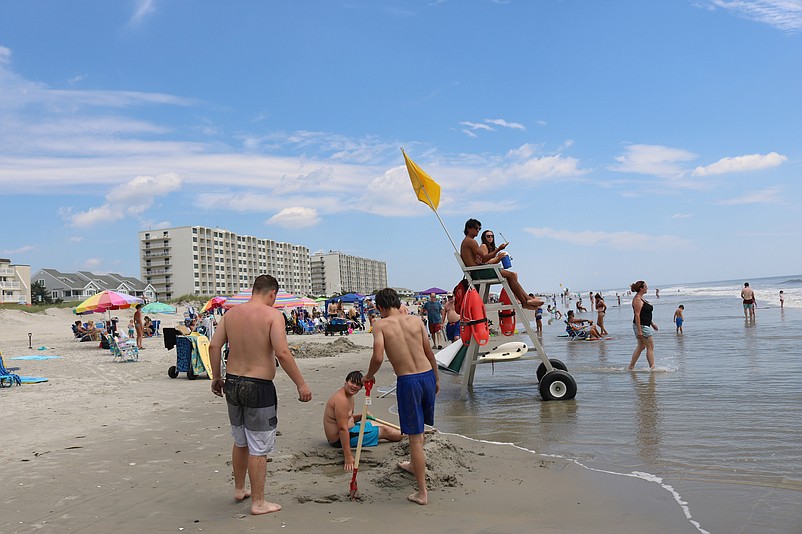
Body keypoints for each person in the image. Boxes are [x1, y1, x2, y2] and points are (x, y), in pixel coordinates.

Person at [209, 275, 312, 516]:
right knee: (258, 446)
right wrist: (301, 384)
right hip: (258, 386)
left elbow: (214, 346)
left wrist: (216, 377)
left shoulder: (231, 314)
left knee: (240, 439)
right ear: (272, 294)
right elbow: (283, 352)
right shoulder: (273, 315)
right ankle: (258, 502)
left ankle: (239, 489)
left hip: (232, 383)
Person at [364, 288, 439, 506]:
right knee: (420, 428)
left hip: (408, 381)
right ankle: (414, 465)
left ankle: (422, 493)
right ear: (397, 302)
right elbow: (429, 352)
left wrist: (368, 376)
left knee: (414, 436)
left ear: (380, 307)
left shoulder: (380, 325)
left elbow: (378, 357)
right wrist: (436, 378)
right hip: (426, 375)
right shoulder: (416, 321)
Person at [323, 370, 403, 470]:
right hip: (339, 439)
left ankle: (408, 434)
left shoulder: (349, 395)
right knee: (385, 430)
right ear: (346, 382)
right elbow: (342, 429)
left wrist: (361, 416)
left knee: (374, 423)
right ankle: (411, 437)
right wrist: (348, 456)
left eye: (358, 385)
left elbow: (347, 418)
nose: (354, 386)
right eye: (352, 382)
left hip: (349, 429)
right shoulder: (341, 400)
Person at [460, 219, 542, 310]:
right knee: (511, 275)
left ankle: (526, 300)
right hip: (478, 273)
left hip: (477, 271)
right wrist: (498, 249)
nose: (478, 231)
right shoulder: (470, 241)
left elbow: (481, 259)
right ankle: (526, 300)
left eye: (479, 228)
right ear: (469, 228)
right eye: (476, 228)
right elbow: (485, 258)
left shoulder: (467, 241)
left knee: (511, 275)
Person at [629, 280, 658, 371]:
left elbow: (645, 314)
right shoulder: (637, 300)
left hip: (645, 325)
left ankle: (631, 367)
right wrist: (639, 331)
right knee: (650, 346)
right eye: (645, 286)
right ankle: (652, 367)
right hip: (641, 326)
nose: (647, 288)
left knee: (641, 346)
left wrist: (652, 324)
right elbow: (637, 315)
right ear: (641, 288)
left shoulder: (642, 299)